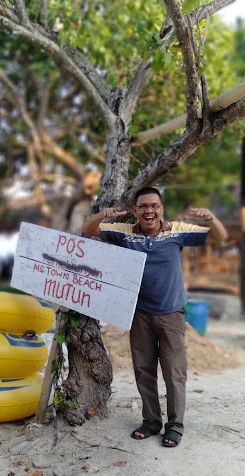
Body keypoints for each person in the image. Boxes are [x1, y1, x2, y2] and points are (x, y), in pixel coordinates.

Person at [82, 186, 228, 447]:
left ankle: (175, 426)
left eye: (154, 206)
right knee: (143, 371)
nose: (149, 210)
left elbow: (220, 236)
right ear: (136, 212)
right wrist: (103, 214)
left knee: (174, 373)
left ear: (161, 209)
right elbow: (88, 230)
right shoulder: (124, 233)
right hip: (139, 314)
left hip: (171, 314)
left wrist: (210, 218)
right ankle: (151, 421)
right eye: (143, 207)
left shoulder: (177, 231)